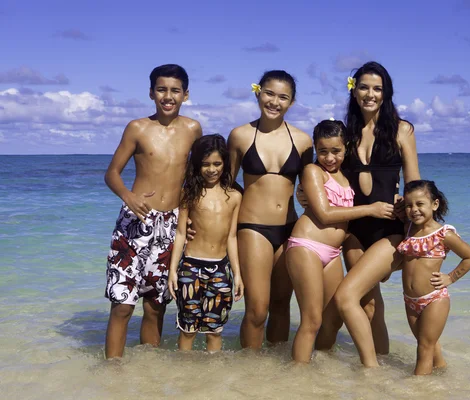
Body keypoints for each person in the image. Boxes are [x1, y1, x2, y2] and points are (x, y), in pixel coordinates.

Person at [189, 70, 313, 349]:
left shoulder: (304, 141)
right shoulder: (241, 136)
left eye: (283, 97)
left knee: (282, 305)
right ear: (258, 92)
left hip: (290, 227)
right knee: (258, 310)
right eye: (269, 93)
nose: (274, 102)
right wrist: (193, 220)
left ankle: (272, 374)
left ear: (291, 102)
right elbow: (224, 185)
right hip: (253, 227)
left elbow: (309, 185)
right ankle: (249, 371)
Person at [309, 61, 421, 354]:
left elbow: (414, 184)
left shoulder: (402, 130)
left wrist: (412, 217)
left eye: (377, 88)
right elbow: (329, 169)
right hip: (354, 231)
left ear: (386, 93)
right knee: (370, 306)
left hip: (390, 229)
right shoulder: (349, 134)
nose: (370, 94)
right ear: (354, 91)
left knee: (346, 297)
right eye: (364, 87)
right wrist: (304, 191)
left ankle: (370, 370)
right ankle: (364, 370)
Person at [103, 64, 202, 359]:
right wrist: (128, 196)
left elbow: (197, 177)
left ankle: (149, 374)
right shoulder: (137, 128)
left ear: (185, 95)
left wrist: (192, 218)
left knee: (155, 305)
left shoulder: (192, 128)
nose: (167, 96)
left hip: (171, 223)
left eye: (175, 90)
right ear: (151, 93)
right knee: (122, 304)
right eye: (161, 90)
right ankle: (112, 373)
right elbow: (112, 173)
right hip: (135, 221)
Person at [336, 180, 470, 373]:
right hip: (411, 301)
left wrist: (451, 277)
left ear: (435, 204)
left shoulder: (443, 234)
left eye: (420, 204)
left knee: (424, 348)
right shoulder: (408, 230)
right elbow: (409, 263)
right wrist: (386, 271)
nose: (414, 210)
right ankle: (442, 375)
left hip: (433, 300)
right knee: (426, 343)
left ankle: (418, 388)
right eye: (409, 205)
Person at [286, 120, 394, 363]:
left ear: (346, 148)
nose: (329, 157)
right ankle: (297, 378)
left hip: (332, 252)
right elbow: (324, 214)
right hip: (307, 246)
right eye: (322, 151)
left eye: (336, 151)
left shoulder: (346, 175)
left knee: (333, 319)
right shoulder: (313, 172)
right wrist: (370, 209)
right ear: (315, 148)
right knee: (312, 320)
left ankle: (323, 367)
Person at [167, 134, 243, 352]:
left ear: (225, 163)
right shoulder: (189, 193)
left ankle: (213, 382)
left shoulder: (234, 196)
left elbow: (232, 237)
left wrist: (237, 274)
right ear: (197, 165)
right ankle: (184, 378)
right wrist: (173, 271)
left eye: (217, 164)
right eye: (206, 164)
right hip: (190, 268)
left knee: (215, 331)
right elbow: (181, 233)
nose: (212, 169)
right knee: (188, 330)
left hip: (220, 269)